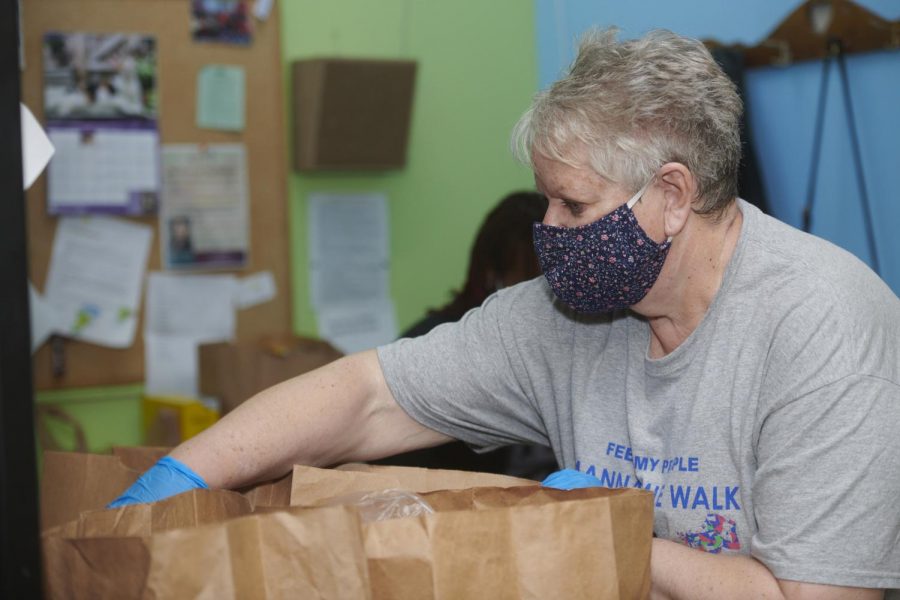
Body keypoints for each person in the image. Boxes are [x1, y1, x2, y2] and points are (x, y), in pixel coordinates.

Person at [110, 28, 900, 599]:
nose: (545, 229)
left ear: (670, 195)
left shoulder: (824, 324)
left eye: (571, 202)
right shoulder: (562, 316)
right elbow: (366, 396)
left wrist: (610, 533)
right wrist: (181, 476)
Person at [377, 191, 558, 480]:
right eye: (530, 279)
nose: (546, 295)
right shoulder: (438, 345)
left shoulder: (576, 340)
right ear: (491, 273)